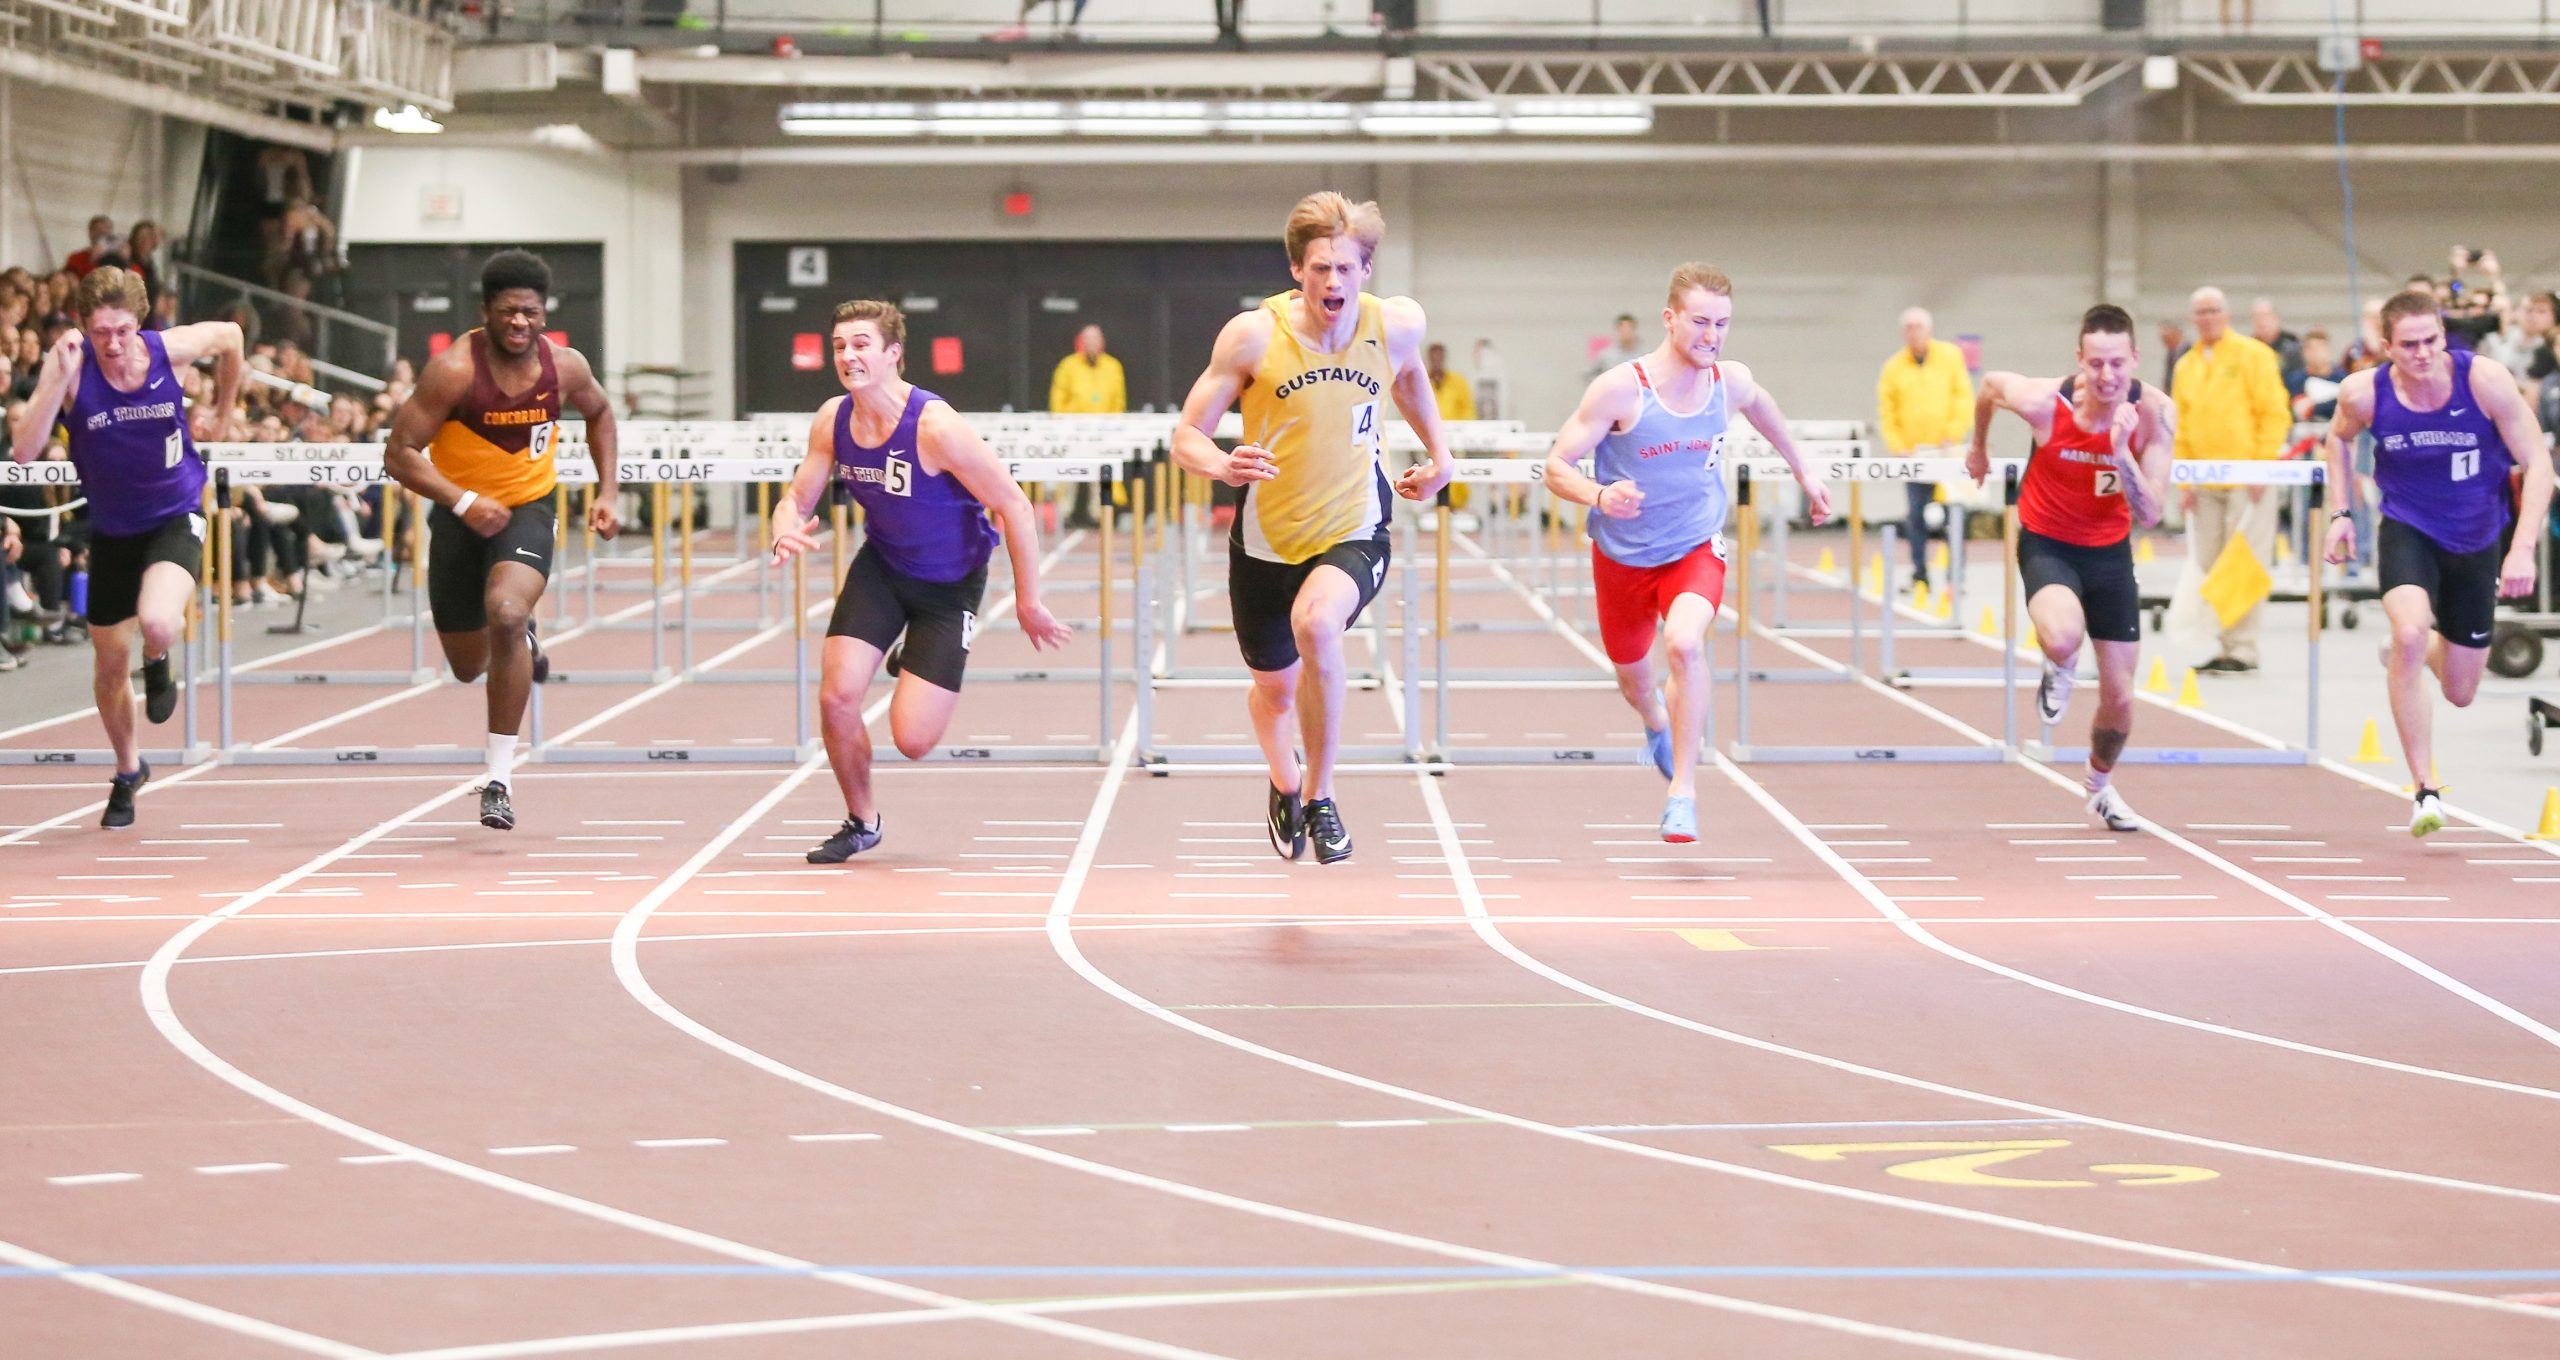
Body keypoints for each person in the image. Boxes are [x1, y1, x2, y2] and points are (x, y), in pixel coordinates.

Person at [1172, 190, 1452, 866]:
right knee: (1274, 690)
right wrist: (1222, 465)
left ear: (1367, 271)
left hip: (1353, 525)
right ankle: (1285, 782)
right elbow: (1186, 435)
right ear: (1298, 270)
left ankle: (1323, 797)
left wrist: (1440, 457)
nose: (1334, 282)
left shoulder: (1398, 326)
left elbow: (1408, 378)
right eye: (1320, 268)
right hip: (1267, 540)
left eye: (1346, 269)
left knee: (1318, 625)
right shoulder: (1253, 336)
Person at [770, 300, 1074, 863]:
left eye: (861, 343)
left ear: (893, 355)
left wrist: (1028, 600)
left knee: (912, 740)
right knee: (837, 698)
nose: (848, 355)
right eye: (839, 345)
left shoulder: (935, 426)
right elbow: (796, 497)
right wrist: (783, 527)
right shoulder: (833, 419)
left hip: (950, 584)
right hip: (883, 567)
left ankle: (916, 648)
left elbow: (1014, 505)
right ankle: (863, 820)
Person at [1544, 263, 1833, 843]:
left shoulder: (1731, 381)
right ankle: (1655, 723)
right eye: (1700, 322)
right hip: (1623, 557)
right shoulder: (1622, 389)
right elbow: (1555, 466)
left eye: (1722, 324)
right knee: (1636, 683)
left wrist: (1804, 469)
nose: (1711, 336)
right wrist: (1600, 494)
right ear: (1670, 319)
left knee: (1683, 643)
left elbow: (1763, 407)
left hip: (1694, 547)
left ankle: (1683, 792)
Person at [382, 250, 620, 833]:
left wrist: (608, 490)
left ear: (545, 313)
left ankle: (499, 779)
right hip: (460, 517)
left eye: (531, 313)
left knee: (507, 612)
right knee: (468, 666)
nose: (520, 324)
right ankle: (519, 643)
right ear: (487, 311)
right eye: (509, 313)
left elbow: (601, 413)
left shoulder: (563, 365)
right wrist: (463, 502)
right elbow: (399, 454)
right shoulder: (454, 371)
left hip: (528, 509)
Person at [9, 267, 241, 829]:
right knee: (109, 664)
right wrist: (54, 383)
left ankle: (159, 660)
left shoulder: (170, 350)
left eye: (121, 331)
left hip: (175, 513)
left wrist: (224, 411)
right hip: (112, 531)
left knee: (158, 622)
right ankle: (128, 768)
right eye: (100, 333)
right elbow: (23, 451)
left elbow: (231, 338)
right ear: (84, 327)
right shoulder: (72, 365)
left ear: (139, 324)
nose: (112, 345)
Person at [2321, 290, 2553, 837]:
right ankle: (2426, 789)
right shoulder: (2364, 393)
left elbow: (2538, 461)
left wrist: (2522, 546)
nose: (2422, 353)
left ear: (2443, 338)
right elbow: (2337, 440)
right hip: (2409, 529)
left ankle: (2420, 647)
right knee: (2408, 629)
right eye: (2409, 345)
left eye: (2431, 341)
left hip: (2477, 538)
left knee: (2460, 691)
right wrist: (2340, 513)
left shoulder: (2485, 381)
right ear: (2387, 347)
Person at [1969, 304, 2176, 834]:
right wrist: (1979, 448)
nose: (2107, 377)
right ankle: (2058, 666)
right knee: (2063, 636)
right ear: (2079, 360)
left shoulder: (2154, 413)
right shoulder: (2044, 402)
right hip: (2047, 541)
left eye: (2117, 365)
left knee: (2122, 697)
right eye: (2095, 365)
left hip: (2110, 553)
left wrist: (2119, 453)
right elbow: (1990, 385)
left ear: (2134, 359)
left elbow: (2151, 513)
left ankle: (2099, 785)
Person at [2172, 285, 2291, 675]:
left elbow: (2274, 413)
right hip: (2204, 480)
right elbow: (2181, 426)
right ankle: (2223, 642)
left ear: (2226, 314)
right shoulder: (2185, 365)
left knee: (2244, 560)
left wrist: (2261, 466)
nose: (2208, 317)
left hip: (2248, 478)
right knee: (2209, 561)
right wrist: (2184, 482)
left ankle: (2243, 648)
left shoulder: (2253, 355)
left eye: (2214, 310)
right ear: (2193, 318)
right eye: (2201, 311)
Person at [1875, 306, 1973, 589]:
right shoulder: (1893, 367)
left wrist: (1952, 434)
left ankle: (1956, 576)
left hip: (1948, 452)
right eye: (1909, 327)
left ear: (1929, 329)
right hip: (1913, 454)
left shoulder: (1950, 357)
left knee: (1954, 514)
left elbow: (1963, 399)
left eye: (1919, 326)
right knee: (1915, 516)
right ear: (1903, 332)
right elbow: (1887, 411)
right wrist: (1897, 446)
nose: (1914, 332)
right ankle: (1920, 574)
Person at [1048, 323, 1125, 530]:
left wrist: (1113, 425)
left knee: (1101, 474)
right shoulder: (1068, 366)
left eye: (1096, 339)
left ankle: (1099, 514)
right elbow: (1058, 396)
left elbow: (1118, 399)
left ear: (1102, 342)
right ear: (1081, 342)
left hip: (1102, 430)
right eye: (1088, 339)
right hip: (1072, 430)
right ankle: (1063, 514)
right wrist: (1061, 424)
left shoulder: (1113, 366)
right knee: (1068, 474)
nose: (1092, 343)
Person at [1427, 342, 1475, 422]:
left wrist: (1463, 427)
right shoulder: (1421, 383)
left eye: (1439, 358)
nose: (1436, 363)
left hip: (1456, 430)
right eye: (1433, 359)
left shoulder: (1459, 381)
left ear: (1444, 358)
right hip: (1427, 430)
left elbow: (1468, 409)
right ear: (1429, 359)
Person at [1589, 313, 1642, 380]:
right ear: (1617, 330)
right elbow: (1591, 375)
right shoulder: (1606, 356)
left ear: (1634, 330)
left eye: (1629, 329)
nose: (1626, 333)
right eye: (1623, 329)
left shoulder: (1644, 356)